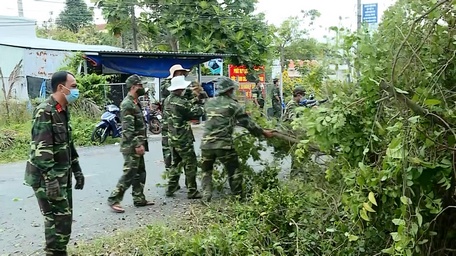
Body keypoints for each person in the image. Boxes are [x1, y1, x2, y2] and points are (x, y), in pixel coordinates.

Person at [23, 71, 85, 256]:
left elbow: (68, 145)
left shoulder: (62, 110)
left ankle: (58, 251)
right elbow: (41, 149)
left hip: (61, 175)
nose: (76, 90)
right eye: (73, 86)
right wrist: (50, 180)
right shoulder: (45, 111)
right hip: (46, 177)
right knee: (58, 221)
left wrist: (77, 170)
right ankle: (55, 252)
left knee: (64, 220)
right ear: (61, 87)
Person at [200, 77, 274, 202]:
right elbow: (247, 123)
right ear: (229, 90)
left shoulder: (209, 103)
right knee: (233, 171)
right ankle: (238, 197)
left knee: (206, 171)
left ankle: (206, 195)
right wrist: (262, 132)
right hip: (223, 145)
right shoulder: (233, 105)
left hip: (206, 145)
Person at [107, 74, 154, 213]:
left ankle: (139, 198)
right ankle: (113, 199)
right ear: (133, 87)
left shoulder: (135, 102)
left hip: (137, 143)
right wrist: (137, 144)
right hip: (131, 146)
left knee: (140, 173)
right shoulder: (127, 104)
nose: (142, 87)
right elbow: (128, 129)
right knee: (129, 173)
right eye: (140, 85)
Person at [164, 75, 205, 198]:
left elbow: (185, 107)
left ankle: (170, 188)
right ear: (180, 89)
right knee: (190, 163)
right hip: (183, 138)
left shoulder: (168, 100)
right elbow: (196, 113)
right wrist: (200, 102)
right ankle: (192, 191)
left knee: (175, 164)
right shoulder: (181, 103)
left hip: (172, 137)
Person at [160, 64, 191, 190]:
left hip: (180, 125)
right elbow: (177, 92)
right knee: (169, 155)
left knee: (184, 155)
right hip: (168, 126)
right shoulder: (167, 85)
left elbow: (190, 99)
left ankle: (187, 182)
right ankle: (173, 182)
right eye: (180, 73)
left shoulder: (183, 85)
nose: (183, 75)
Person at [282, 86, 307, 177]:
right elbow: (294, 118)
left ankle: (302, 172)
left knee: (302, 152)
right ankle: (294, 174)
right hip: (291, 132)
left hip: (295, 132)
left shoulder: (297, 104)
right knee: (296, 153)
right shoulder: (292, 104)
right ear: (298, 95)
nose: (304, 98)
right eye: (303, 95)